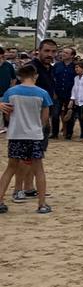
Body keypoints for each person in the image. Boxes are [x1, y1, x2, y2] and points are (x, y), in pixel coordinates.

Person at [0, 63, 54, 213]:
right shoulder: (42, 93)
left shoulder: (11, 92)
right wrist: (38, 127)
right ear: (35, 75)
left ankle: (0, 200)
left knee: (10, 168)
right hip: (34, 135)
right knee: (39, 170)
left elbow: (7, 113)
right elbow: (45, 117)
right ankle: (42, 204)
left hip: (16, 134)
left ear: (19, 76)